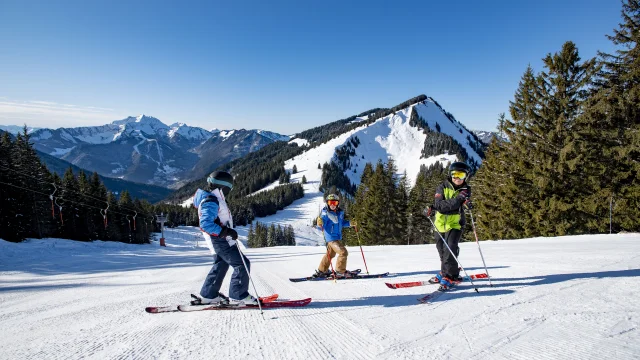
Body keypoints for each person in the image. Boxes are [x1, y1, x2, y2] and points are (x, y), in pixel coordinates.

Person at [192, 170, 258, 306]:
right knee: (242, 264)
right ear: (224, 187)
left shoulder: (214, 199)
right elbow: (206, 223)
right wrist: (225, 231)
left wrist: (227, 231)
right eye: (230, 188)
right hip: (220, 240)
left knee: (221, 265)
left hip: (219, 239)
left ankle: (209, 295)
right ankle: (238, 295)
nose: (230, 191)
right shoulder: (211, 201)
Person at [424, 161, 473, 291]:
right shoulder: (442, 187)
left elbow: (446, 205)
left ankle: (451, 276)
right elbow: (440, 205)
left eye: (461, 175)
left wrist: (466, 204)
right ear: (450, 175)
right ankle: (444, 272)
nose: (457, 178)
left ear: (466, 176)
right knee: (441, 250)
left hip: (455, 224)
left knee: (450, 249)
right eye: (455, 174)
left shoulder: (466, 190)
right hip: (439, 224)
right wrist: (435, 206)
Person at [312, 194, 357, 279]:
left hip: (337, 237)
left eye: (334, 202)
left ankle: (322, 270)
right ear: (327, 203)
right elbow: (321, 225)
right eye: (330, 202)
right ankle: (340, 271)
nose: (332, 204)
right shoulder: (325, 214)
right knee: (343, 252)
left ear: (338, 203)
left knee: (330, 255)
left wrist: (350, 223)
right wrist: (319, 223)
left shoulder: (340, 213)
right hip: (331, 238)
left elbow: (341, 223)